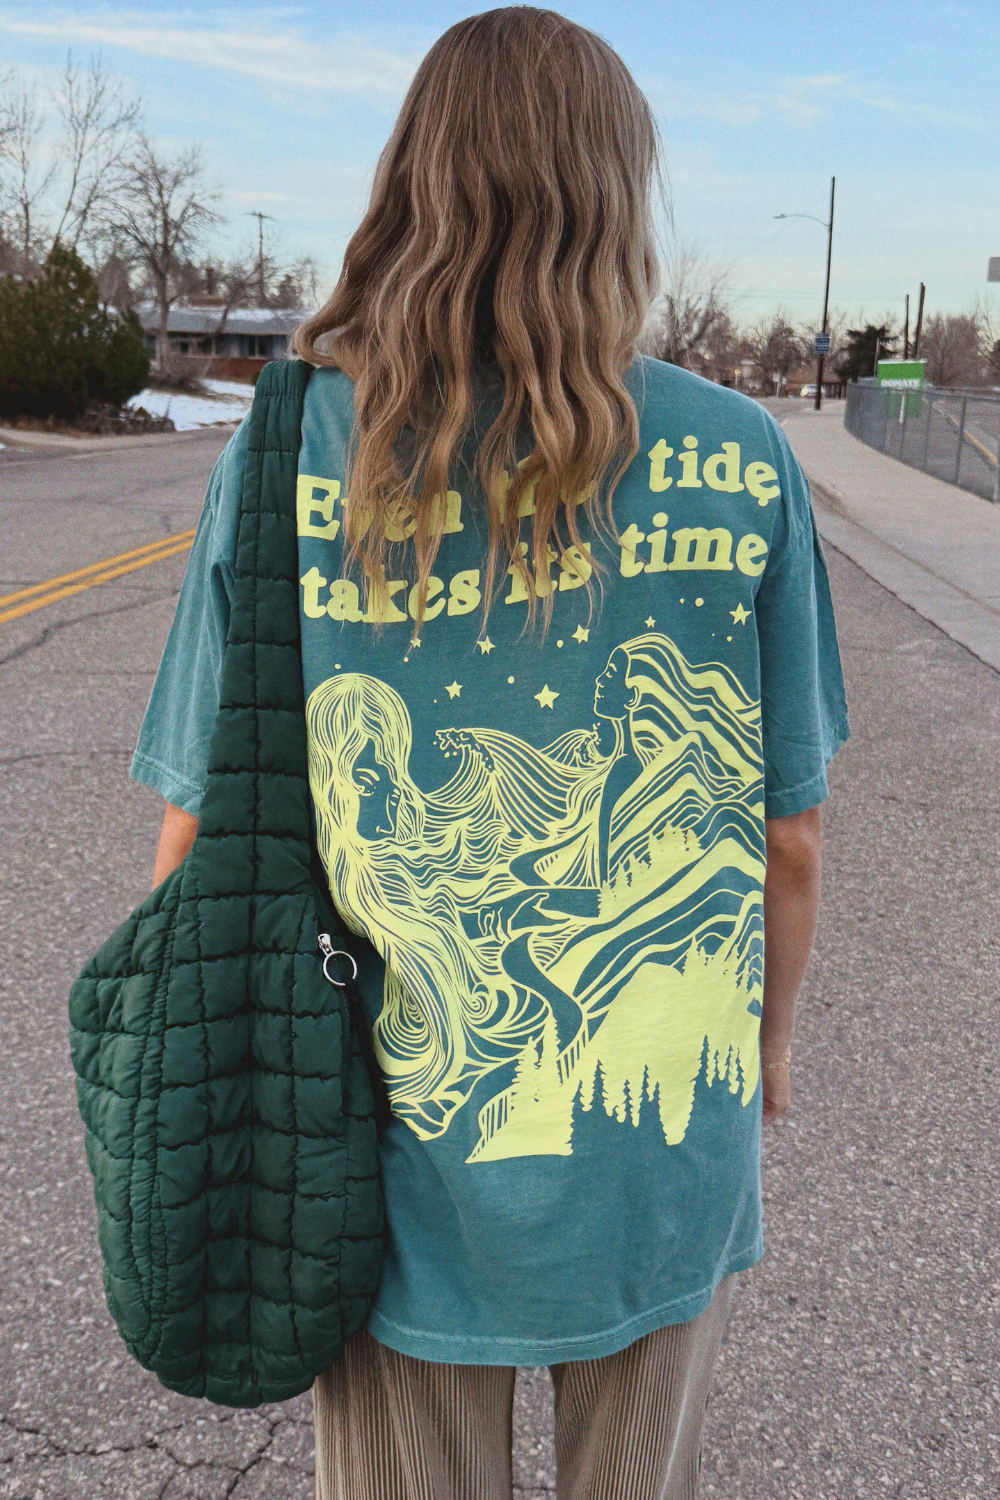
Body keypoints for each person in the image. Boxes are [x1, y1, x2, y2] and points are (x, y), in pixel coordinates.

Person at [132, 9, 848, 1497]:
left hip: (370, 1151)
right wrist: (767, 1045)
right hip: (660, 1137)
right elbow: (791, 835)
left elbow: (201, 831)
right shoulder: (741, 452)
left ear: (413, 179)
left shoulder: (288, 446)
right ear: (618, 197)